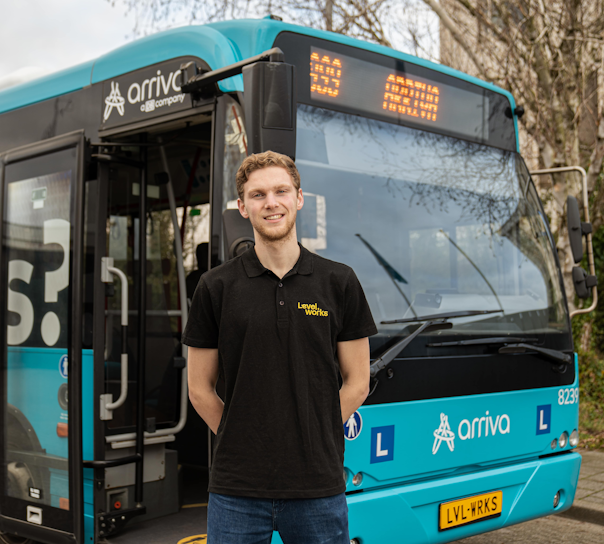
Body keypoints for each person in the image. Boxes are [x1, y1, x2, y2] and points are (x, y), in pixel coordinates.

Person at [182, 150, 377, 544]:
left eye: (280, 191)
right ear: (242, 206)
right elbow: (199, 389)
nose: (271, 203)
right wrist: (243, 435)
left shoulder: (339, 282)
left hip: (317, 486)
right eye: (258, 195)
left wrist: (313, 429)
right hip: (236, 489)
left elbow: (358, 381)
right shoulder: (215, 287)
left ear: (298, 198)